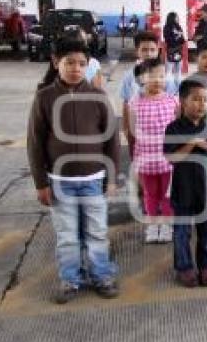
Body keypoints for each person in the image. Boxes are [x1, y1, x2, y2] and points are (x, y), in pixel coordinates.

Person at [27, 32, 121, 305]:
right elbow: (35, 142)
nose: (75, 68)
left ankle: (101, 275)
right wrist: (40, 182)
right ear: (56, 62)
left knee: (96, 231)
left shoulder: (98, 96)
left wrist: (112, 177)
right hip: (60, 182)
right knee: (67, 235)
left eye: (81, 63)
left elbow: (112, 140)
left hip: (94, 180)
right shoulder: (44, 98)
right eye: (69, 62)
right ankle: (70, 279)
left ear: (88, 65)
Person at [163, 79, 207, 288]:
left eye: (205, 100)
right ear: (183, 101)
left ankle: (206, 265)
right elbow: (171, 159)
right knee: (182, 233)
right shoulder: (173, 128)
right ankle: (184, 268)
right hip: (182, 189)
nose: (201, 104)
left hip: (205, 189)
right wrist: (193, 143)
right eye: (195, 99)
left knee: (206, 232)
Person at [129, 57, 180, 244]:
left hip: (167, 160)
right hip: (146, 160)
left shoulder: (173, 101)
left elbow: (178, 128)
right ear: (142, 78)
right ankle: (152, 225)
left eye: (161, 75)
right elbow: (133, 133)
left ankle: (166, 225)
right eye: (152, 76)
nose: (157, 80)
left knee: (167, 194)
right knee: (150, 194)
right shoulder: (135, 103)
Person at [120, 31, 179, 157]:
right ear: (137, 51)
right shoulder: (128, 76)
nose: (149, 53)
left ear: (158, 51)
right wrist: (126, 128)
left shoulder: (166, 76)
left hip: (161, 133)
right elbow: (126, 103)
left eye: (152, 49)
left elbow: (174, 105)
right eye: (144, 49)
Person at [163, 11, 186, 78]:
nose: (178, 18)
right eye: (177, 17)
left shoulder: (167, 27)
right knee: (176, 72)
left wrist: (177, 40)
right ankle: (176, 87)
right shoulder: (177, 27)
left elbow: (168, 40)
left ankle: (171, 87)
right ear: (173, 18)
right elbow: (182, 40)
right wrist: (178, 39)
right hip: (175, 50)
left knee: (170, 71)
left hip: (174, 50)